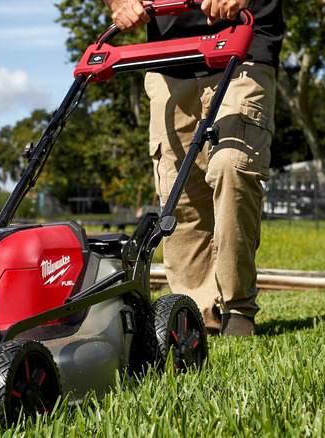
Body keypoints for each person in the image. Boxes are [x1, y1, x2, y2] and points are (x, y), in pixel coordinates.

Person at [104, 0, 284, 335]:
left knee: (233, 165)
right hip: (170, 57)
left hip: (244, 38)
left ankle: (237, 309)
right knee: (179, 190)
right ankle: (196, 317)